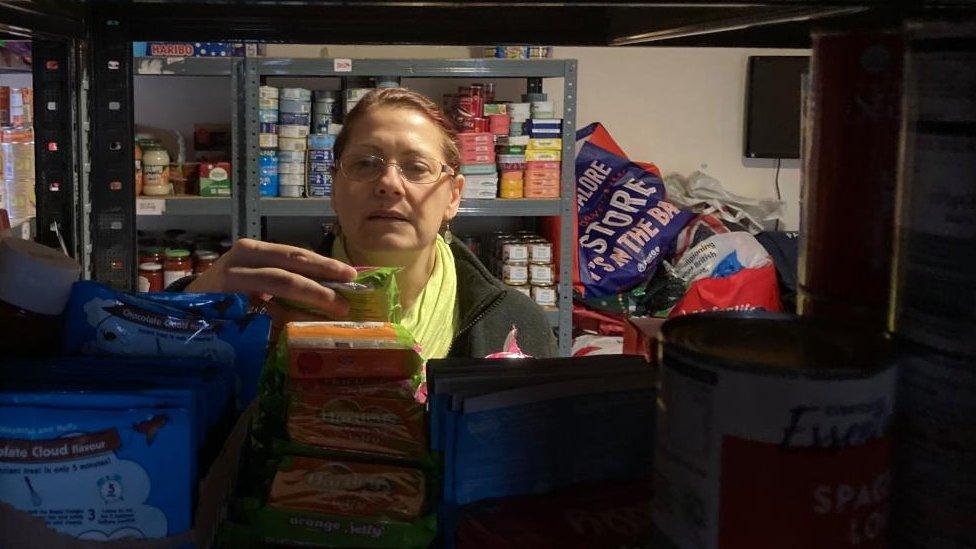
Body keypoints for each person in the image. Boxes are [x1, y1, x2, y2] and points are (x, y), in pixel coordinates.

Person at [178, 87, 556, 359]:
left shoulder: (516, 322)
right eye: (365, 164)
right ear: (334, 188)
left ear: (453, 196)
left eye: (416, 167)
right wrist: (187, 314)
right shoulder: (264, 306)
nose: (389, 184)